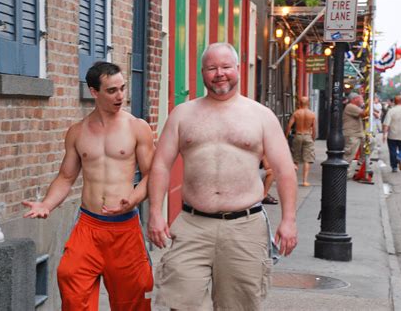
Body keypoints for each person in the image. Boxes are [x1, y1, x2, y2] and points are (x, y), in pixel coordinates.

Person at [147, 43, 298, 310]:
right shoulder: (183, 114)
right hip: (193, 224)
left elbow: (285, 170)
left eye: (226, 67)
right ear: (202, 72)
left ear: (237, 69)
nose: (220, 73)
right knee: (180, 301)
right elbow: (160, 165)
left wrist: (289, 221)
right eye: (212, 68)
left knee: (238, 305)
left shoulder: (261, 116)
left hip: (244, 227)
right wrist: (156, 214)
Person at [22, 62, 155, 310]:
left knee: (133, 296)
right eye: (112, 90)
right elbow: (66, 177)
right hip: (89, 226)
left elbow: (152, 176)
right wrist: (46, 204)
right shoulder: (77, 132)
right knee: (71, 280)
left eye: (123, 88)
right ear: (94, 92)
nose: (120, 96)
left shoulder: (137, 127)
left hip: (125, 228)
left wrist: (134, 198)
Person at [285, 96, 316, 186]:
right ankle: (305, 180)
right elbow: (314, 129)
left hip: (298, 135)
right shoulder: (312, 114)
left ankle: (293, 180)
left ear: (299, 103)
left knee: (296, 159)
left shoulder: (296, 113)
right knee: (307, 159)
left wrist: (285, 137)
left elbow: (289, 126)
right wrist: (312, 139)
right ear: (308, 103)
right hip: (307, 136)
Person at [342, 92, 367, 178]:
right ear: (355, 99)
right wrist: (368, 105)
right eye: (360, 99)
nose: (361, 100)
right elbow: (364, 114)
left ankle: (358, 165)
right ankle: (343, 173)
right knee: (349, 154)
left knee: (369, 144)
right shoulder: (350, 106)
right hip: (352, 134)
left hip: (358, 133)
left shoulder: (356, 107)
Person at [383, 95, 401, 172]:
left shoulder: (391, 111)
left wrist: (384, 134)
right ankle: (399, 157)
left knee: (392, 151)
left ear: (394, 102)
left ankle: (394, 167)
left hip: (392, 135)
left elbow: (386, 124)